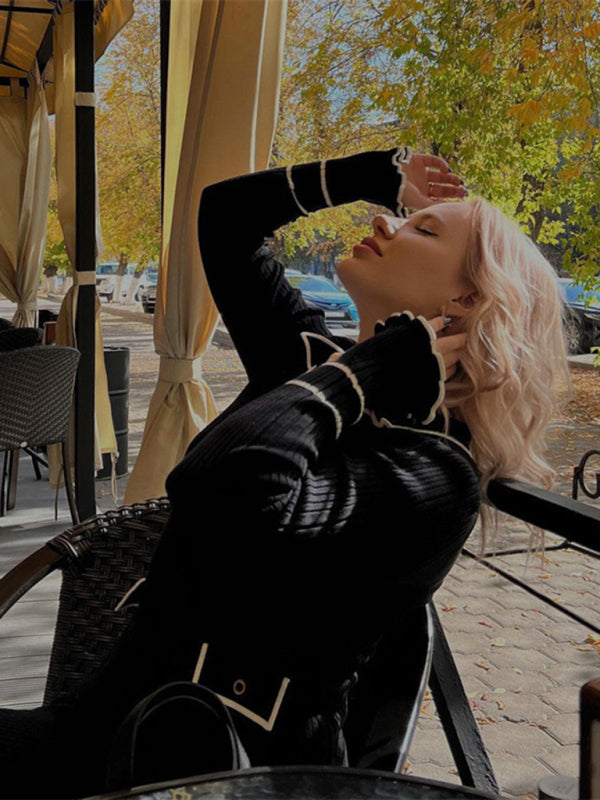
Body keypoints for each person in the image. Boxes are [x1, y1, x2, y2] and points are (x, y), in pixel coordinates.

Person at [0, 147, 570, 798]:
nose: (388, 223)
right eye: (402, 215)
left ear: (464, 300)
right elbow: (224, 217)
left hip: (209, 771)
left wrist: (368, 370)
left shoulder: (438, 470)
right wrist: (377, 176)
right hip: (100, 731)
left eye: (424, 228)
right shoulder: (312, 359)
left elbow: (225, 491)